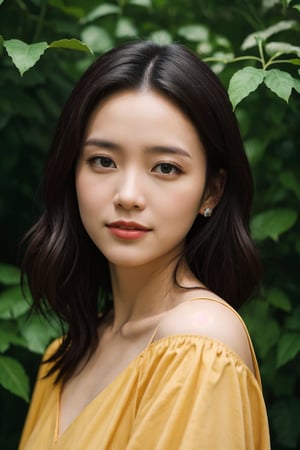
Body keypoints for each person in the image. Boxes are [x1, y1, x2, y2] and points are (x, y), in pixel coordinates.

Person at [19, 40, 270, 449]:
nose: (129, 195)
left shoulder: (199, 346)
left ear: (212, 191)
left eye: (166, 167)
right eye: (103, 160)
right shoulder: (64, 355)